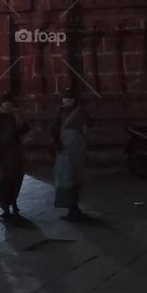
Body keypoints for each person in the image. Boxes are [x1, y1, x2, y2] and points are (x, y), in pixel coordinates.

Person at [52, 89, 90, 221]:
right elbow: (53, 129)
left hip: (77, 149)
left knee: (76, 177)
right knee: (65, 179)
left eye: (69, 98)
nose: (66, 100)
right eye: (65, 98)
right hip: (64, 149)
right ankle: (70, 207)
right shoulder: (60, 112)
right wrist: (57, 143)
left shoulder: (79, 112)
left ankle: (75, 207)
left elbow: (88, 125)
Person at [0, 95, 29, 219]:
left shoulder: (16, 116)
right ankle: (6, 207)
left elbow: (25, 129)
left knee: (14, 179)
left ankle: (12, 204)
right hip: (3, 152)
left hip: (14, 153)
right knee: (5, 180)